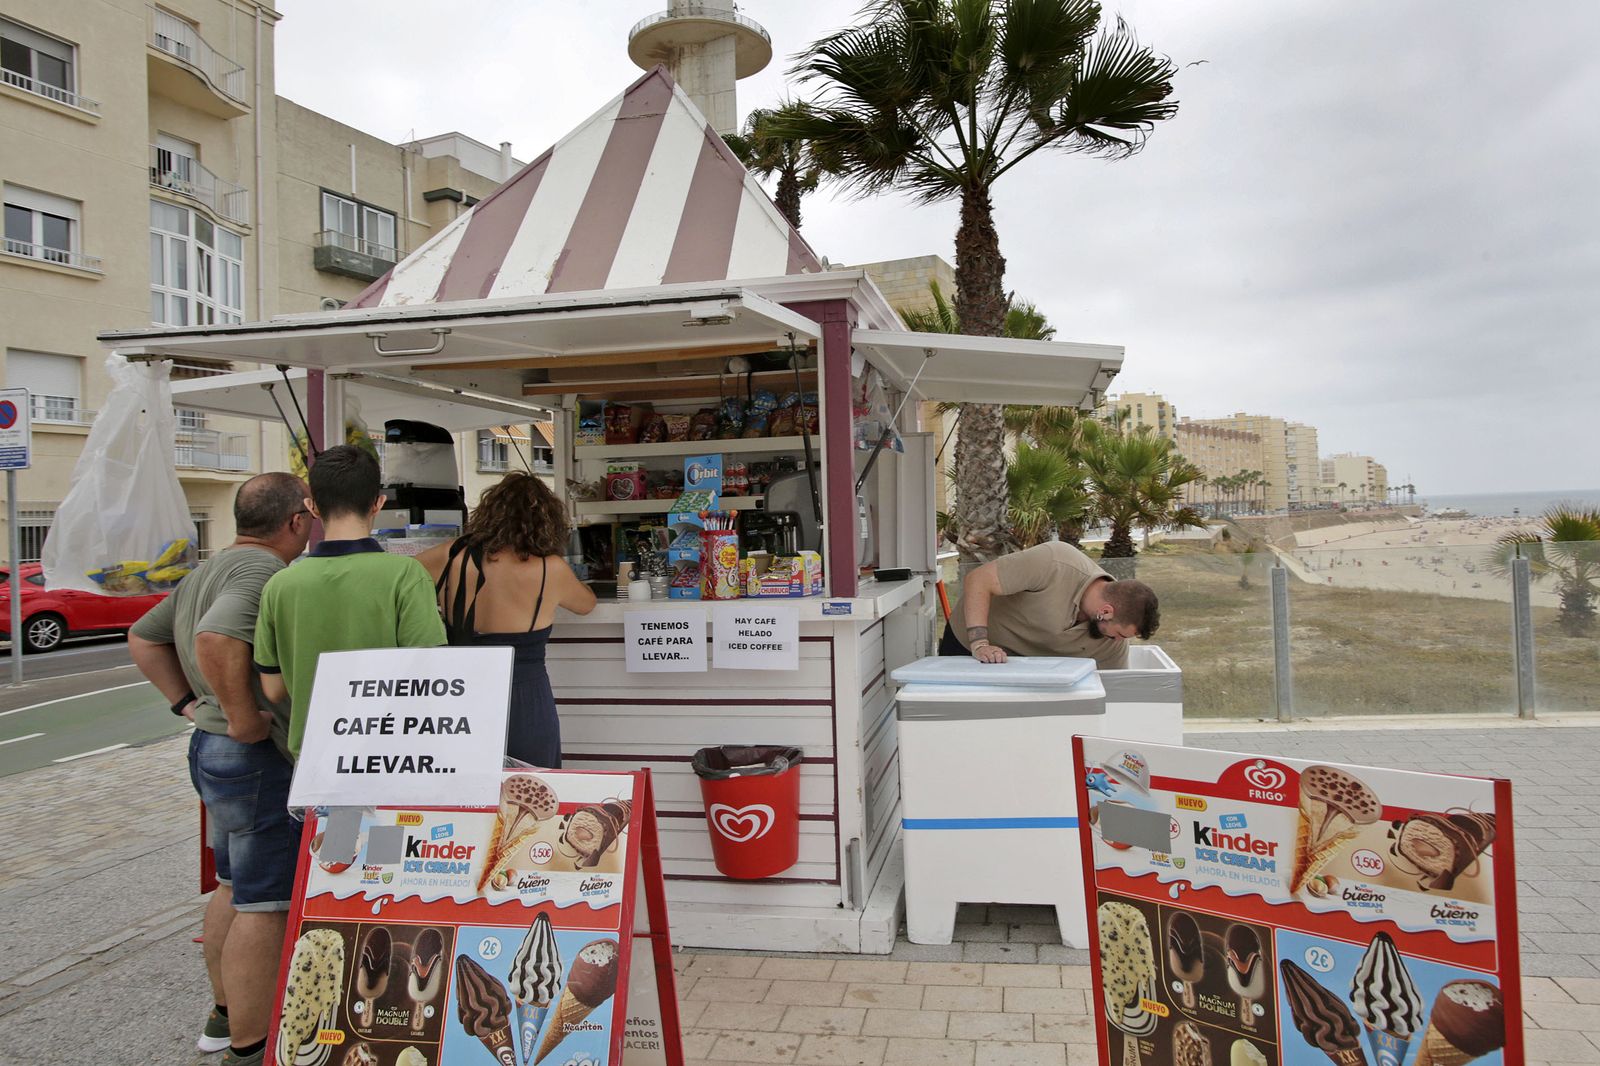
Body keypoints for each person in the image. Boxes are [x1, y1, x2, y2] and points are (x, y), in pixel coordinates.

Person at [127, 472, 312, 1065]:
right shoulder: (262, 573)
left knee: (232, 887)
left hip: (208, 751)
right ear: (295, 522)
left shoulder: (208, 570)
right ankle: (250, 1047)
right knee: (267, 902)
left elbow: (143, 636)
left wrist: (186, 703)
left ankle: (226, 1012)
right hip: (248, 756)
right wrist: (242, 717)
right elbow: (213, 637)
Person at [254, 444, 447, 754]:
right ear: (378, 503)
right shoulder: (405, 575)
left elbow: (274, 689)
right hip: (391, 756)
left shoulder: (279, 585)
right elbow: (429, 676)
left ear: (312, 507)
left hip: (314, 760)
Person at [419, 472, 596, 767]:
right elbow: (586, 604)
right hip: (524, 696)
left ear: (488, 512)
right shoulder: (549, 569)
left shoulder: (450, 555)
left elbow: (400, 580)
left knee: (464, 793)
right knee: (530, 793)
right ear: (547, 519)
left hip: (460, 692)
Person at [941, 540, 1159, 668]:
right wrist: (980, 643)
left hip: (1018, 666)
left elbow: (1114, 693)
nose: (1119, 641)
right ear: (1106, 611)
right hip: (967, 642)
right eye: (1121, 634)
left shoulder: (1113, 644)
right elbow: (978, 580)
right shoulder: (1056, 561)